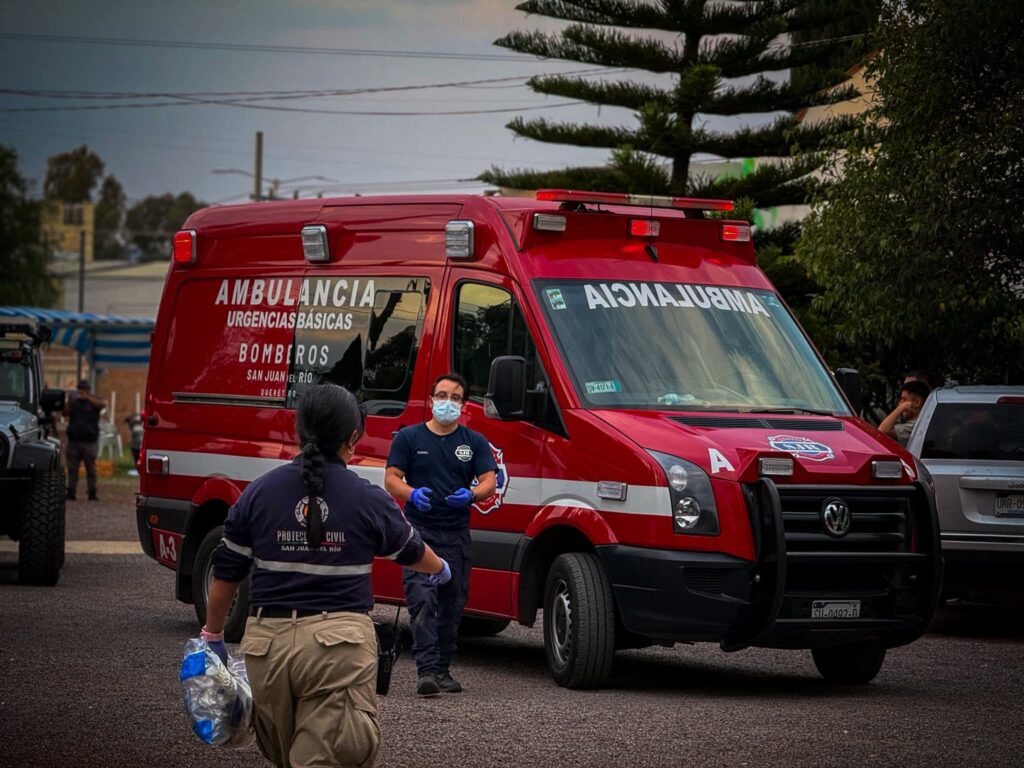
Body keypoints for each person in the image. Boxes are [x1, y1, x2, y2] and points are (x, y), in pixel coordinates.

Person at [202, 383, 450, 768]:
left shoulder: (258, 493)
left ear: (298, 431)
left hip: (266, 651)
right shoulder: (367, 498)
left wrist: (213, 637)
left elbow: (226, 572)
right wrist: (440, 569)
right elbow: (414, 552)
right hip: (337, 649)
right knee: (326, 757)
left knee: (288, 756)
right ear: (353, 436)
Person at [384, 373, 497, 697]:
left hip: (456, 534)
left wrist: (472, 495)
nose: (448, 402)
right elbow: (391, 478)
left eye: (456, 397)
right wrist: (411, 493)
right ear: (432, 399)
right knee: (421, 599)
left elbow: (489, 481)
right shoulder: (409, 438)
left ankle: (443, 670)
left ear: (463, 404)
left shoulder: (473, 442)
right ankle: (426, 671)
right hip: (420, 533)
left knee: (452, 604)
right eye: (443, 395)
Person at [64, 378, 106, 501]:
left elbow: (102, 405)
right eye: (80, 389)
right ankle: (71, 491)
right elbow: (64, 413)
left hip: (89, 440)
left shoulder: (94, 400)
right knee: (72, 469)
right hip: (74, 440)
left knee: (91, 469)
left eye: (84, 389)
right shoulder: (74, 402)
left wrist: (87, 397)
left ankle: (92, 492)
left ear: (88, 390)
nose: (82, 391)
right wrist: (68, 401)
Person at [879, 379, 931, 446]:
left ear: (917, 403)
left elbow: (882, 431)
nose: (900, 403)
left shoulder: (916, 425)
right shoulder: (918, 419)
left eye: (904, 399)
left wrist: (900, 409)